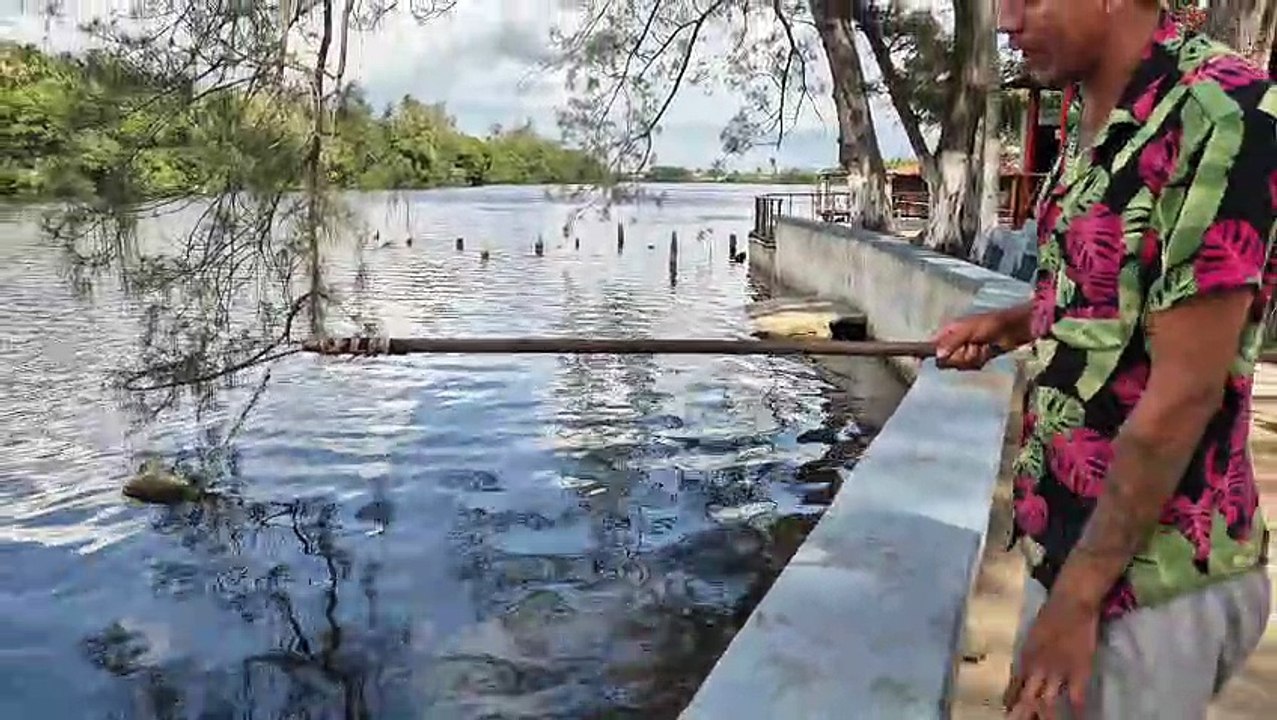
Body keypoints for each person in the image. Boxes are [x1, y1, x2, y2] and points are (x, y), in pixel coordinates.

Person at [935, 1, 1276, 718]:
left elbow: (1184, 393)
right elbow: (1111, 290)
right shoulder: (1088, 106)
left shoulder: (1222, 110)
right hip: (1066, 549)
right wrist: (1013, 322)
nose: (1003, 21)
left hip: (1142, 589)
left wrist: (1074, 604)